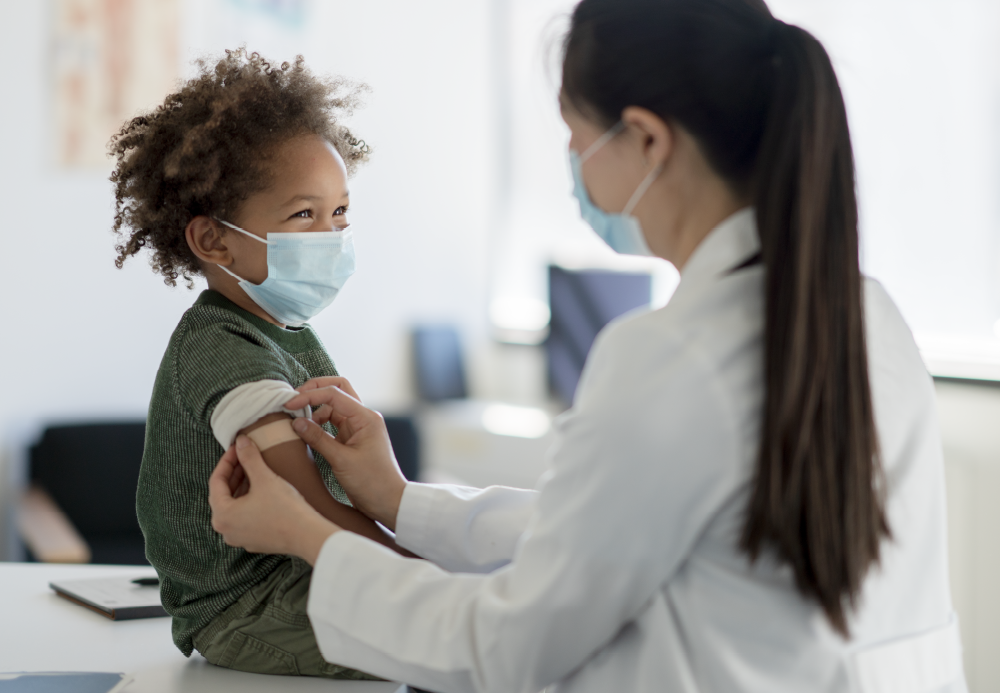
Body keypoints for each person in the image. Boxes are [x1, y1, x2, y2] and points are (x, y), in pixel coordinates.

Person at [208, 1, 967, 691]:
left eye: (576, 139)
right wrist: (401, 501)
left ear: (645, 139)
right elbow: (611, 530)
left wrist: (306, 536)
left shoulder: (671, 356)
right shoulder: (869, 314)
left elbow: (506, 643)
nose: (574, 172)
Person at [111, 48, 403, 678]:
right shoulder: (222, 349)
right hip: (248, 608)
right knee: (445, 641)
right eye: (304, 215)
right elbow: (309, 508)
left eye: (340, 212)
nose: (331, 237)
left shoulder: (283, 329)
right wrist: (418, 575)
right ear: (214, 240)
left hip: (306, 575)